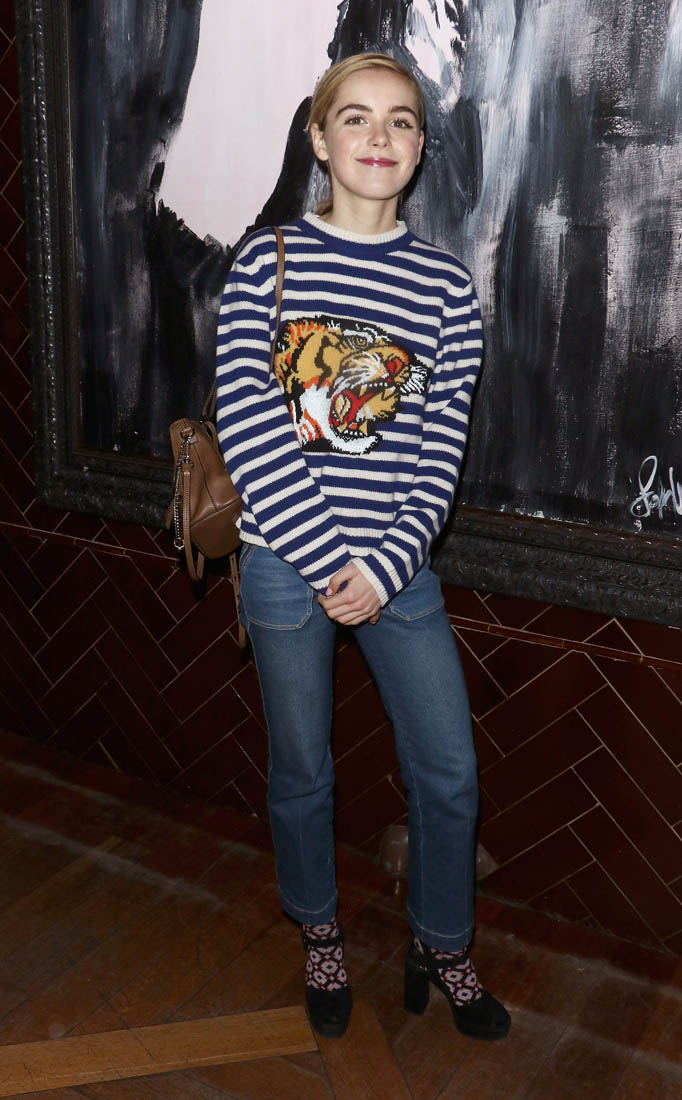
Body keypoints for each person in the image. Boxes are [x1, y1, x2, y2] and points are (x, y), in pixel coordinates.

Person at [215, 52, 510, 1042]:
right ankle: (320, 931)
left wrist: (381, 569)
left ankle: (443, 941)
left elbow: (439, 456)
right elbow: (249, 427)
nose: (379, 137)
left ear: (420, 148)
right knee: (302, 768)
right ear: (319, 138)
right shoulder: (266, 263)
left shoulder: (444, 289)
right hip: (283, 562)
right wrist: (320, 557)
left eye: (401, 121)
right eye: (356, 117)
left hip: (397, 568)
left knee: (449, 773)